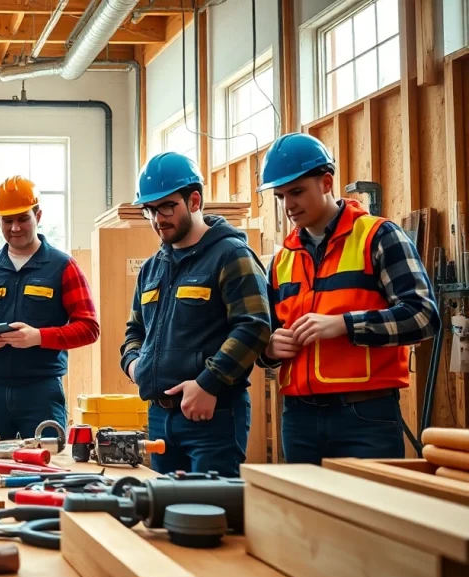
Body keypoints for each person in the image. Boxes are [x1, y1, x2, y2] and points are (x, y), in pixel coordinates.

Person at [255, 133, 440, 465]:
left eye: (297, 192)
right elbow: (266, 336)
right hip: (298, 419)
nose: (288, 206)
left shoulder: (379, 237)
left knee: (367, 515)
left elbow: (424, 316)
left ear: (326, 182)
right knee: (304, 516)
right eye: (280, 196)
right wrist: (269, 350)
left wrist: (344, 324)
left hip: (365, 417)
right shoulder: (282, 259)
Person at [120, 152, 271, 478]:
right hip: (159, 417)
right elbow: (134, 330)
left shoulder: (231, 255)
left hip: (213, 415)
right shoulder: (151, 268)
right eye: (150, 210)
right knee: (165, 515)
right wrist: (136, 367)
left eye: (167, 206)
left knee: (210, 517)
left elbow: (254, 326)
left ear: (194, 200)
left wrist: (209, 384)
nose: (157, 218)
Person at [0, 176, 99, 439]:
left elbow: (89, 328)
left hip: (41, 390)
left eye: (23, 218)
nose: (15, 227)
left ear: (38, 215)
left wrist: (39, 337)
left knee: (49, 463)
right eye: (7, 221)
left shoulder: (63, 267)